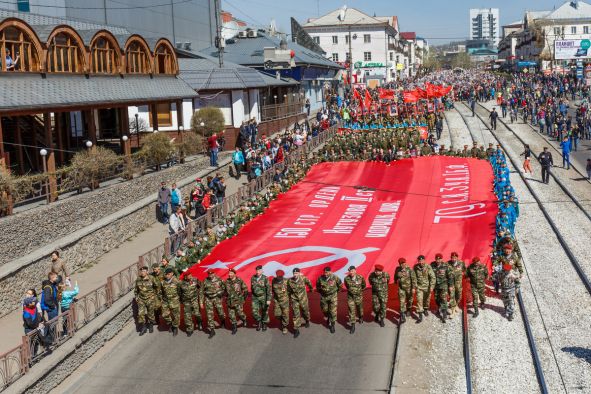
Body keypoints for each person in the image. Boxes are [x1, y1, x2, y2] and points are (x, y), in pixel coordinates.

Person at [134, 266, 160, 336]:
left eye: (144, 271)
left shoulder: (151, 278)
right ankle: (143, 327)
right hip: (141, 299)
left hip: (150, 299)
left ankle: (151, 325)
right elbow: (136, 290)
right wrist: (136, 297)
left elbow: (157, 287)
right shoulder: (138, 279)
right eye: (141, 271)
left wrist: (154, 296)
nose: (142, 272)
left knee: (150, 313)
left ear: (147, 272)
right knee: (140, 314)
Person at [287, 267, 312, 338]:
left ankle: (307, 320)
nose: (295, 274)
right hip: (294, 299)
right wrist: (290, 298)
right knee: (296, 314)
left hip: (303, 299)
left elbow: (309, 284)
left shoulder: (304, 278)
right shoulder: (290, 281)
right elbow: (288, 290)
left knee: (305, 311)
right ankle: (296, 329)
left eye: (296, 273)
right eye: (294, 273)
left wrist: (311, 289)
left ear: (299, 273)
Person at [316, 266, 342, 333]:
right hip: (324, 297)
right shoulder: (320, 278)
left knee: (333, 311)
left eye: (327, 272)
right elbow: (318, 286)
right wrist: (321, 292)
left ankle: (332, 325)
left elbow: (340, 285)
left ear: (330, 272)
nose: (326, 274)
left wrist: (336, 292)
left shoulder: (335, 277)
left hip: (333, 296)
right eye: (325, 272)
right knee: (324, 310)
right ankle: (328, 317)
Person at [200, 270, 226, 338]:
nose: (210, 275)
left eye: (212, 273)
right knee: (209, 315)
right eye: (209, 274)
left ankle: (223, 321)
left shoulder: (219, 279)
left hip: (217, 298)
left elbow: (224, 288)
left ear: (214, 273)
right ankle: (212, 330)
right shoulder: (205, 281)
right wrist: (201, 302)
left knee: (220, 313)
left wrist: (221, 293)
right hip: (208, 299)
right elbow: (201, 292)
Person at [224, 269, 248, 335]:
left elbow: (245, 289)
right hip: (230, 301)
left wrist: (244, 298)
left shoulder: (239, 280)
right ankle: (234, 327)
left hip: (238, 301)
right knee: (231, 315)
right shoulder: (227, 281)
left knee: (240, 313)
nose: (229, 274)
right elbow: (225, 291)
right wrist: (225, 297)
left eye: (231, 273)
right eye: (229, 273)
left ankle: (244, 319)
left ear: (234, 274)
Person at [432, 253, 453, 323]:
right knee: (436, 298)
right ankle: (439, 309)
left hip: (444, 285)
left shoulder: (446, 266)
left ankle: (444, 314)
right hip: (435, 285)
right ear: (435, 259)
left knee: (444, 299)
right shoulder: (432, 265)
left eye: (439, 259)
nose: (438, 260)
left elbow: (450, 276)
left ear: (442, 259)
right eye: (437, 259)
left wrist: (450, 286)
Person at [344, 265, 366, 333]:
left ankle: (361, 317)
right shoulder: (346, 278)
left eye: (352, 271)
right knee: (351, 310)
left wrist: (358, 291)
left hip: (358, 297)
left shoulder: (360, 277)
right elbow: (347, 286)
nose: (351, 272)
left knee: (360, 309)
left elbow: (363, 285)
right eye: (350, 271)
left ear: (355, 271)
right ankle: (353, 325)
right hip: (350, 297)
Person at [413, 255, 435, 322]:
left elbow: (433, 277)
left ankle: (425, 309)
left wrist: (431, 287)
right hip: (419, 287)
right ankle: (420, 316)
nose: (421, 262)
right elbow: (414, 278)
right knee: (419, 300)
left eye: (422, 261)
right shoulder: (415, 267)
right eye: (419, 261)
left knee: (427, 300)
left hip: (427, 287)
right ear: (418, 261)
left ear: (424, 260)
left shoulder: (428, 267)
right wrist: (414, 287)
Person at [161, 268, 181, 336]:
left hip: (174, 300)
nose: (167, 275)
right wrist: (161, 299)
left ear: (172, 273)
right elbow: (161, 291)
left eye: (168, 274)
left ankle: (175, 327)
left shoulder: (176, 281)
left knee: (176, 316)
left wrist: (178, 299)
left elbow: (179, 290)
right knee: (164, 314)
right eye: (166, 274)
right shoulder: (163, 282)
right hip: (165, 301)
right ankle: (170, 324)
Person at [250, 265, 271, 331]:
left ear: (262, 271)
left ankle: (264, 323)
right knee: (254, 312)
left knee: (264, 311)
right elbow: (252, 287)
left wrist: (268, 299)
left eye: (259, 270)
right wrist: (253, 296)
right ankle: (259, 321)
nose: (257, 272)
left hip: (263, 297)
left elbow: (268, 289)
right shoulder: (253, 278)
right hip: (255, 297)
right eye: (257, 270)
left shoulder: (265, 278)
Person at [394, 258, 415, 323]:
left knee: (410, 300)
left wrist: (413, 288)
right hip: (401, 288)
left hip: (409, 288)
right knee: (401, 301)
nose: (402, 264)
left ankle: (408, 310)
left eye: (403, 263)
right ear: (399, 264)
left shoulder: (410, 269)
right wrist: (396, 281)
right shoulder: (397, 269)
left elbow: (414, 279)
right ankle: (402, 315)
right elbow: (395, 276)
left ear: (405, 263)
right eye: (401, 264)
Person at [272, 270, 290, 334]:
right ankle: (282, 320)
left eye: (280, 276)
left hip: (285, 300)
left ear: (282, 276)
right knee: (277, 314)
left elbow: (291, 290)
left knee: (285, 314)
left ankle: (285, 327)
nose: (278, 277)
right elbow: (272, 290)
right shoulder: (274, 281)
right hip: (277, 300)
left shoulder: (286, 281)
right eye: (277, 276)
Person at [448, 252, 466, 317]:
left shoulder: (461, 263)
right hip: (451, 283)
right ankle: (452, 311)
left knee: (459, 295)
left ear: (457, 258)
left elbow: (465, 270)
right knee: (452, 296)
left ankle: (456, 305)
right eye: (452, 258)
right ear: (451, 258)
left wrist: (463, 273)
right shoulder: (448, 264)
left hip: (458, 283)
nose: (453, 259)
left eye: (455, 258)